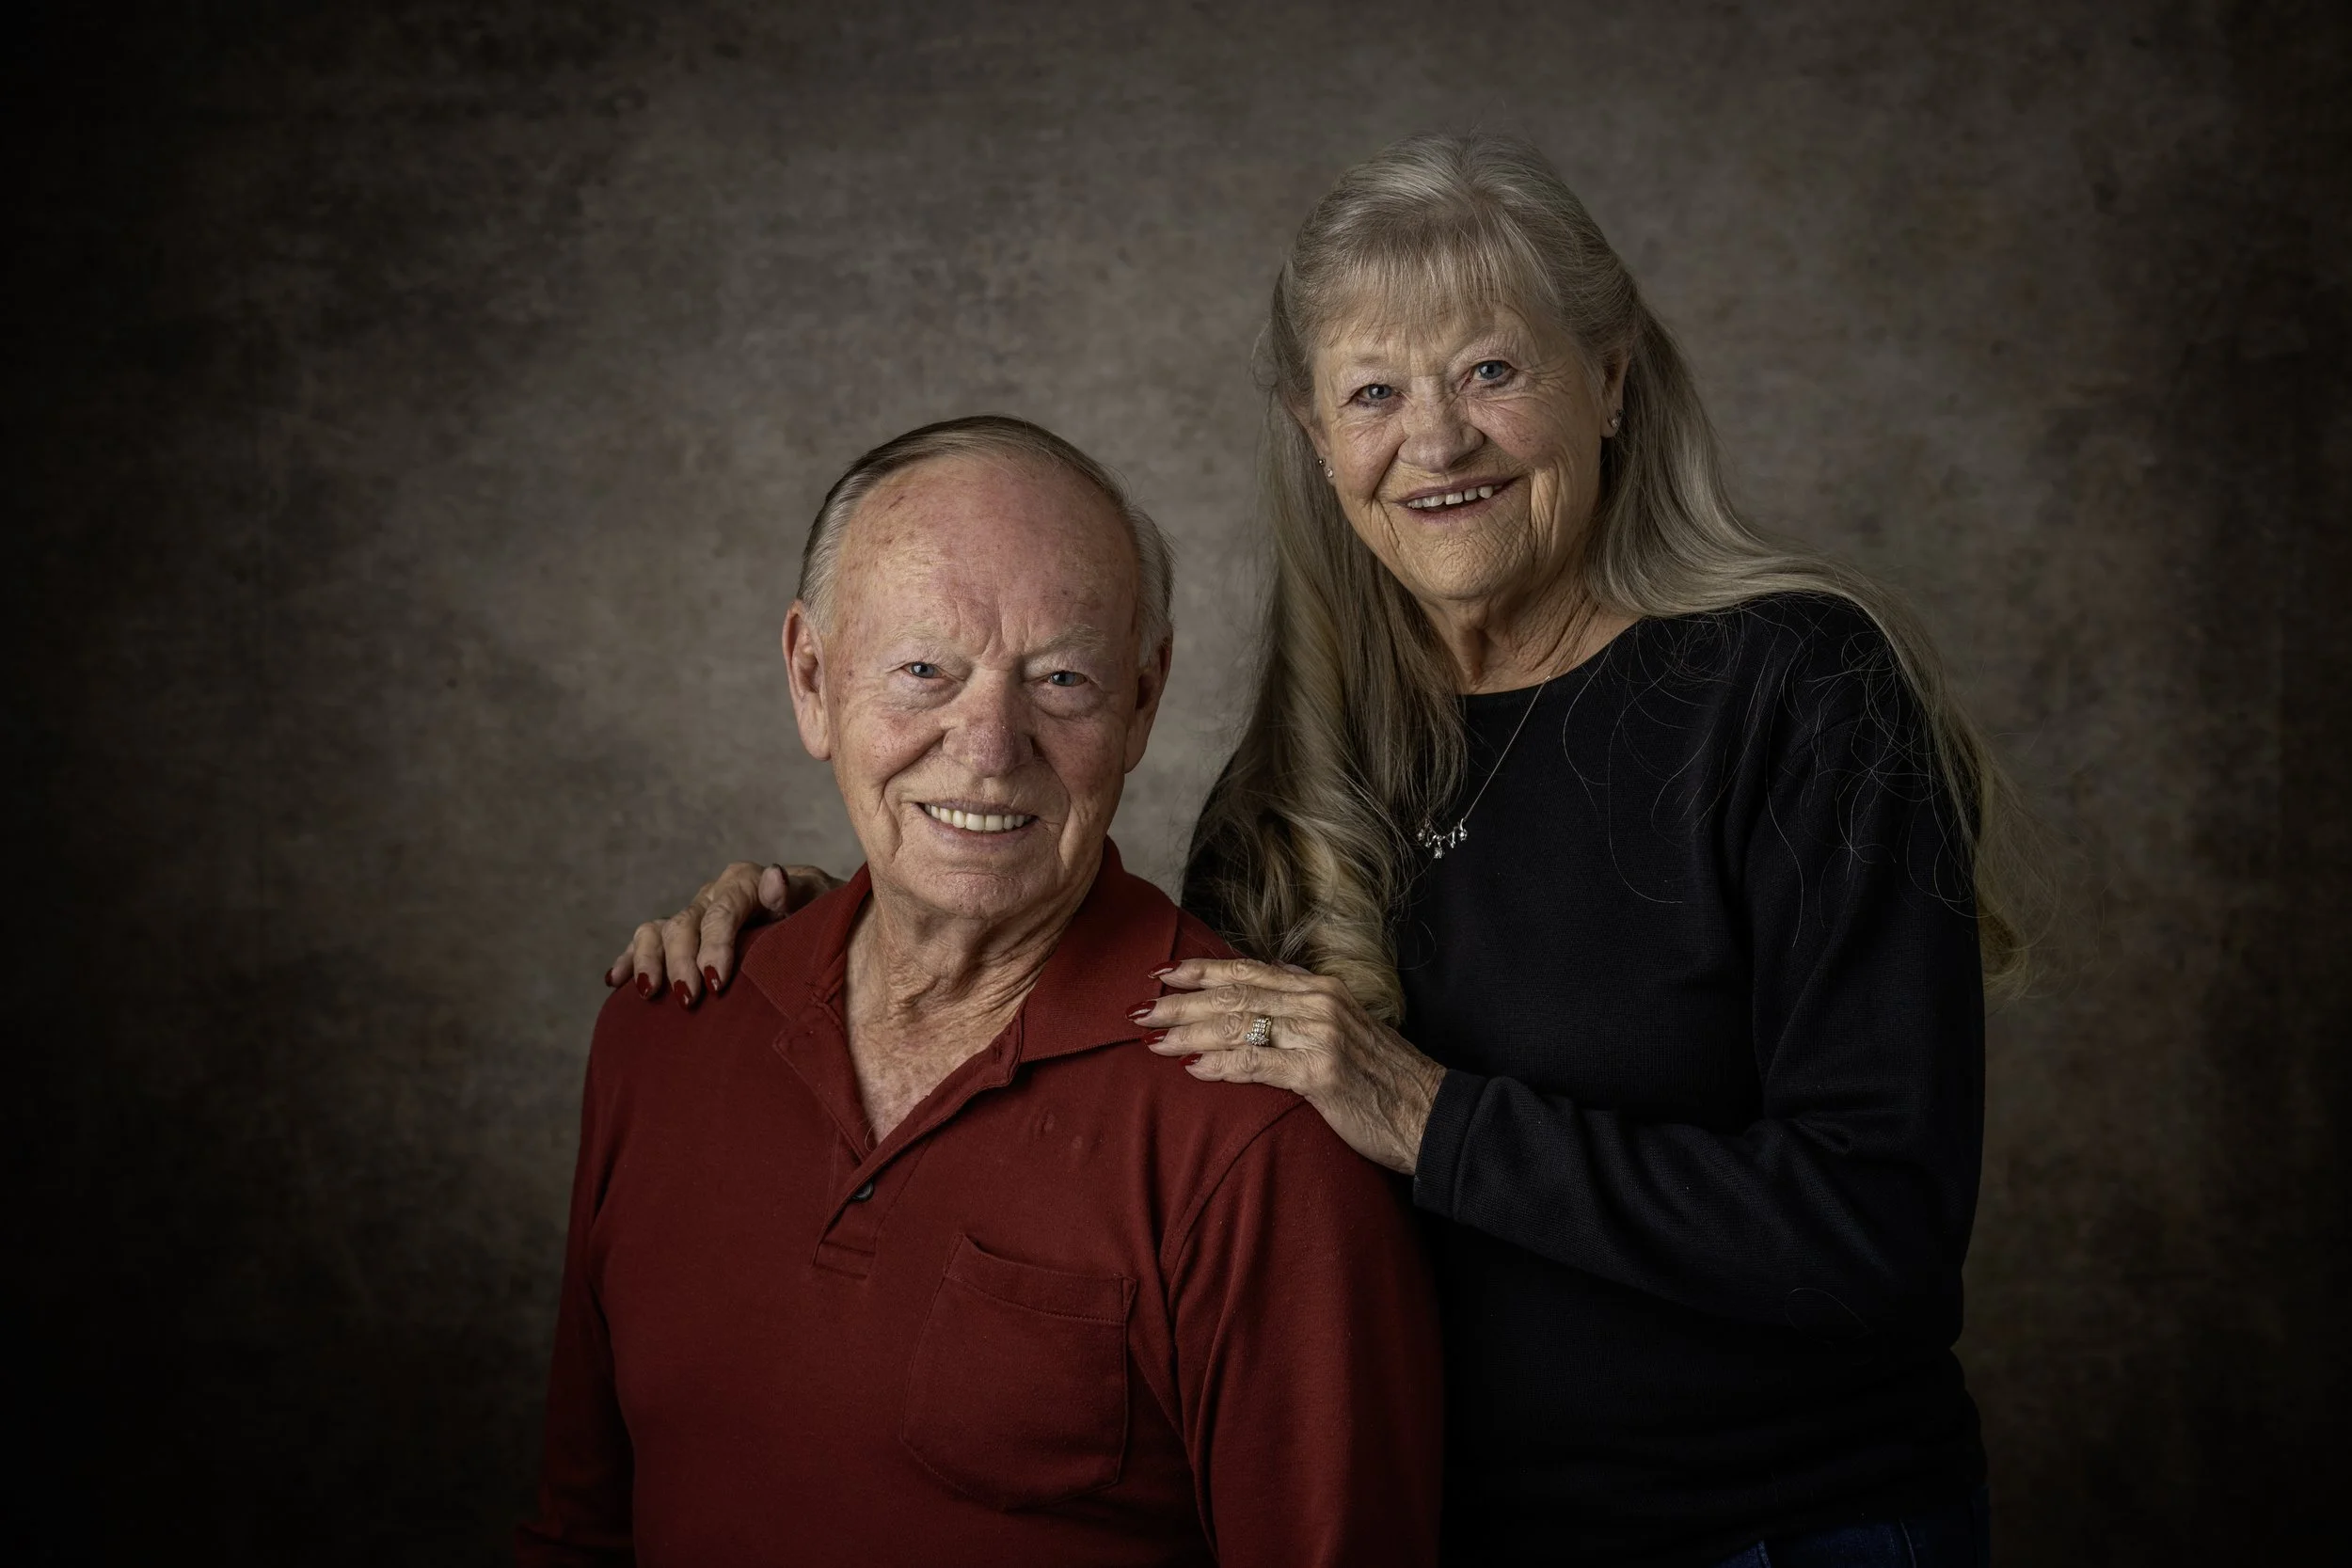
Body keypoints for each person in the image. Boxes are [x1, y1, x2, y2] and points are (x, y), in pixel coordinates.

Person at [612, 136, 2033, 1566]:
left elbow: (1882, 1236)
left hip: (1775, 1531)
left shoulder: (1798, 690)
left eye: (1492, 370)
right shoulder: (1303, 772)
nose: (1437, 439)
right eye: (1373, 392)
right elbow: (1116, 1031)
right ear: (1314, 435)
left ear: (1609, 379)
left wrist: (1426, 1112)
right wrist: (830, 932)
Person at [519, 417, 1444, 1567]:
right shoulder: (666, 1027)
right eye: (924, 670)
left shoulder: (1254, 1127)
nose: (990, 745)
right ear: (812, 680)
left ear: (1142, 704)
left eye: (1061, 678)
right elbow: (578, 1525)